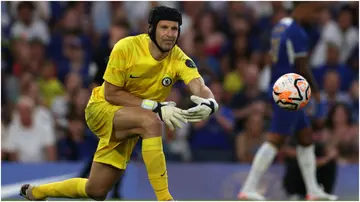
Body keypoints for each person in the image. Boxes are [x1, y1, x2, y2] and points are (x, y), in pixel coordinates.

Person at [20, 6, 218, 201]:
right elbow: (111, 94)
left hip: (131, 121)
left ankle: (38, 192)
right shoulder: (126, 47)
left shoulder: (179, 59)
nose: (169, 34)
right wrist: (156, 106)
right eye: (164, 28)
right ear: (151, 29)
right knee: (152, 122)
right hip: (102, 109)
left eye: (174, 29)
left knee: (95, 190)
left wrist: (209, 102)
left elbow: (198, 85)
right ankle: (165, 199)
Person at [237, 2, 338, 200]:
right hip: (289, 89)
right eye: (314, 11)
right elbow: (302, 68)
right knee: (276, 140)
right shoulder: (298, 33)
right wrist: (316, 93)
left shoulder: (281, 24)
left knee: (306, 137)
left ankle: (312, 190)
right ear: (302, 7)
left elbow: (274, 56)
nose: (316, 16)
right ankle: (248, 188)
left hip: (279, 83)